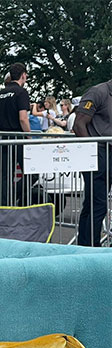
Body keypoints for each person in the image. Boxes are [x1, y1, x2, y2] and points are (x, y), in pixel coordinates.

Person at [72, 78, 112, 246]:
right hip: (98, 152)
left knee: (92, 204)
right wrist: (92, 150)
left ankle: (84, 246)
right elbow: (78, 124)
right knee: (98, 204)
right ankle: (91, 248)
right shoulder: (98, 92)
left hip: (108, 151)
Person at [0, 62, 31, 205]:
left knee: (5, 175)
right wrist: (29, 135)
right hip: (19, 138)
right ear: (23, 75)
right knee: (31, 173)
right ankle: (16, 196)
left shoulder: (0, 94)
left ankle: (5, 204)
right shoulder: (21, 92)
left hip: (4, 138)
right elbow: (23, 118)